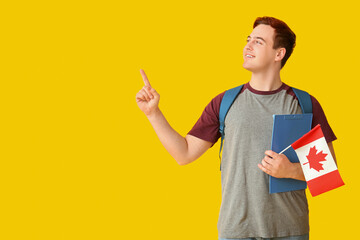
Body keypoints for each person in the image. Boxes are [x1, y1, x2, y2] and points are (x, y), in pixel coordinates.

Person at [135, 16, 337, 240]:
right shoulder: (225, 102)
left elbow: (327, 173)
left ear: (278, 54)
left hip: (290, 231)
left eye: (258, 42)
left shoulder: (303, 103)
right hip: (236, 232)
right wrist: (153, 113)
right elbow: (184, 153)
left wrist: (290, 170)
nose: (247, 46)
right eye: (248, 39)